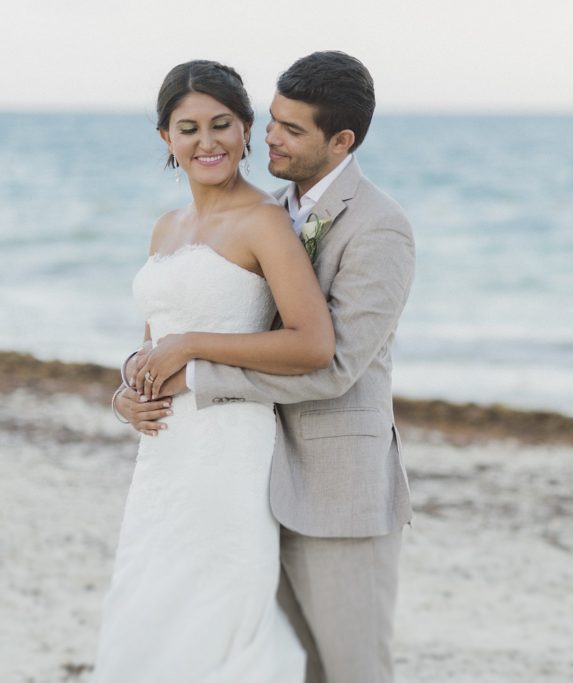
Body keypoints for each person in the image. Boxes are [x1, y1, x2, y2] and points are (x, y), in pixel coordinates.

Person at [114, 51, 415, 683]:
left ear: (341, 141)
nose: (271, 137)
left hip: (335, 484)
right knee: (254, 652)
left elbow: (331, 364)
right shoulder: (268, 208)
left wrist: (192, 369)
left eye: (289, 129)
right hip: (235, 472)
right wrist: (130, 388)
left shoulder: (378, 227)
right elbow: (168, 332)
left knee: (351, 667)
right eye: (271, 121)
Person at [93, 59, 333, 681]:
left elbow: (312, 343)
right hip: (164, 455)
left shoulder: (264, 221)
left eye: (222, 124)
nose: (207, 142)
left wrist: (192, 343)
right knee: (152, 594)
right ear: (165, 139)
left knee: (219, 603)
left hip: (231, 447)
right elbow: (151, 346)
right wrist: (125, 395)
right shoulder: (165, 228)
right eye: (189, 128)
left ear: (247, 129)